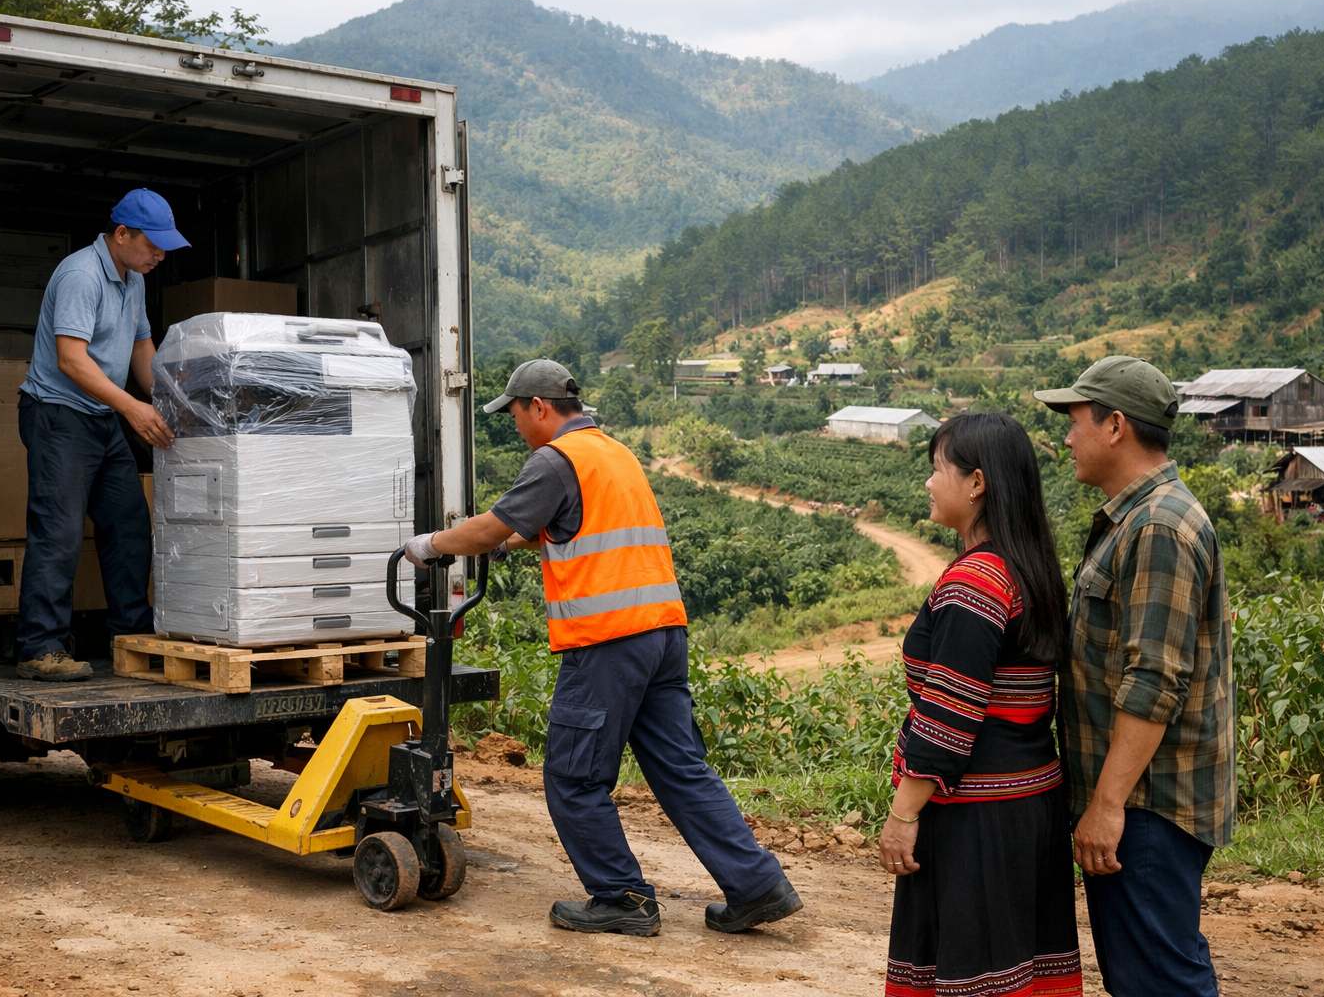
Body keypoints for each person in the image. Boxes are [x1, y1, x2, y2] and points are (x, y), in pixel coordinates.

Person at [404, 358, 801, 936]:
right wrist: (518, 541)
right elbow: (570, 524)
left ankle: (622, 898)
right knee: (681, 768)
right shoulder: (613, 452)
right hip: (663, 633)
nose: (515, 425)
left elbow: (488, 527)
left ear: (539, 406)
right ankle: (757, 885)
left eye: (515, 414)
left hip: (609, 642)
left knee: (573, 776)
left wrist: (431, 544)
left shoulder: (554, 459)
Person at [1035, 356, 1234, 996]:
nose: (1067, 438)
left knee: (1160, 982)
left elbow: (1153, 680)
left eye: (1075, 422)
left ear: (1115, 424)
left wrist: (1108, 804)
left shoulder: (1158, 527)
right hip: (1144, 801)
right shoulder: (1143, 517)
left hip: (1147, 805)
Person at [878, 412, 1082, 997]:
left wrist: (903, 815)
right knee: (1019, 970)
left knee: (975, 974)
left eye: (937, 469)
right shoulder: (1029, 567)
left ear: (976, 482)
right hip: (1030, 805)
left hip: (977, 818)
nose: (928, 483)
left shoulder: (975, 583)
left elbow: (948, 716)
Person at [14, 189, 188, 682]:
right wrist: (132, 407)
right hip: (58, 414)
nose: (160, 255)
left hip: (100, 414)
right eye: (153, 245)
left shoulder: (133, 280)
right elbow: (71, 359)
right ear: (121, 234)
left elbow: (141, 350)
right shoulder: (81, 274)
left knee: (129, 525)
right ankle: (39, 648)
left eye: (164, 247)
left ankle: (131, 638)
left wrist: (178, 405)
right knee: (60, 531)